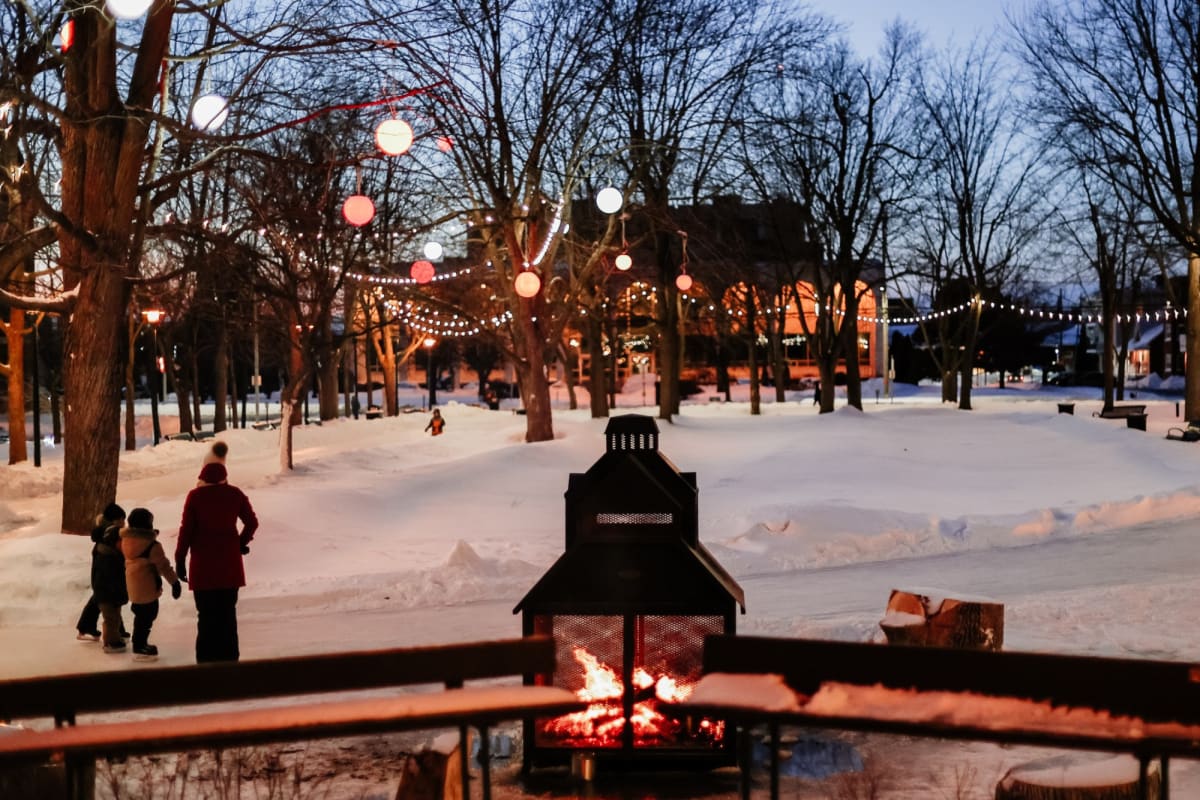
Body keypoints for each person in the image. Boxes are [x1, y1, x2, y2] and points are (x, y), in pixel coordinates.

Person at [176, 462, 259, 663]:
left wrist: (180, 559)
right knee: (227, 617)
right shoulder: (235, 494)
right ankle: (230, 659)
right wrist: (240, 543)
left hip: (202, 568)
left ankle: (205, 661)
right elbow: (252, 523)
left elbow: (186, 531)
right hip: (229, 567)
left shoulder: (195, 497)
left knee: (205, 617)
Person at [119, 507, 182, 660]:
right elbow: (164, 566)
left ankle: (139, 642)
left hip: (133, 585)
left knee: (141, 616)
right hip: (147, 588)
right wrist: (174, 582)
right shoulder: (152, 546)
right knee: (147, 616)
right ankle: (139, 646)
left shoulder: (126, 541)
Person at [76, 502, 129, 643]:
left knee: (105, 600)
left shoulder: (106, 532)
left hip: (103, 577)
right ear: (115, 520)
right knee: (108, 602)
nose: (124, 522)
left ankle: (90, 627)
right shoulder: (110, 534)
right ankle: (104, 632)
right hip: (106, 576)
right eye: (122, 519)